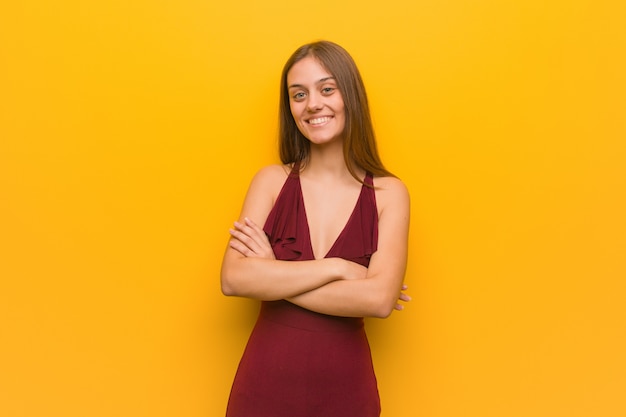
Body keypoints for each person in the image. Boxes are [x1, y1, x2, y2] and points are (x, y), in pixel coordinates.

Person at [220, 40, 410, 417]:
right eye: (298, 95)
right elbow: (233, 280)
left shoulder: (390, 193)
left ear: (349, 95)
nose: (312, 105)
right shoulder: (270, 182)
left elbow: (378, 301)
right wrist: (338, 268)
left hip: (346, 392)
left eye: (327, 89)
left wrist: (273, 272)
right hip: (263, 389)